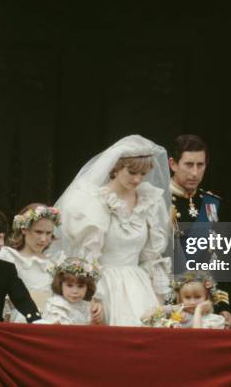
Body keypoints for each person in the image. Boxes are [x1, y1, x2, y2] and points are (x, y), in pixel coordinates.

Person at [56, 135, 172, 326]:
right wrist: (92, 299)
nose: (137, 179)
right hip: (104, 286)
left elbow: (151, 256)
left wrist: (157, 298)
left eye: (143, 174)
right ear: (116, 168)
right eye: (132, 172)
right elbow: (86, 258)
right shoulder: (93, 202)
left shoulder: (150, 200)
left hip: (138, 286)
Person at [168, 134, 231, 328]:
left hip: (203, 304)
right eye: (189, 165)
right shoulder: (157, 201)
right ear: (173, 164)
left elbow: (221, 260)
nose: (195, 173)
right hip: (168, 303)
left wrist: (222, 305)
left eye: (200, 165)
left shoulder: (212, 204)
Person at [0, 203, 66, 322]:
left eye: (48, 233)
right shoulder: (9, 257)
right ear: (24, 229)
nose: (44, 239)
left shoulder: (56, 262)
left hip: (51, 320)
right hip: (20, 321)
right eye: (38, 232)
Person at [141, 272, 226, 329]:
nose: (192, 302)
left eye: (197, 297)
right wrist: (170, 308)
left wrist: (199, 310)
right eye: (188, 297)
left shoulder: (214, 320)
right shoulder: (176, 315)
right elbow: (143, 318)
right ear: (181, 299)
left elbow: (199, 337)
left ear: (207, 298)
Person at [41, 257, 104, 325]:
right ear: (60, 284)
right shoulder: (56, 305)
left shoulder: (86, 305)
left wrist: (94, 320)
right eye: (69, 285)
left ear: (87, 287)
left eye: (80, 286)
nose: (75, 291)